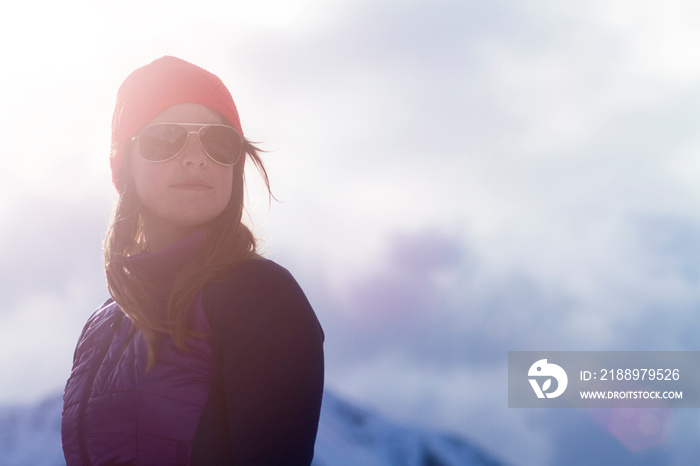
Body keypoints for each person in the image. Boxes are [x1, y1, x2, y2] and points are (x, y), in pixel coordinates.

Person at [61, 56, 325, 465]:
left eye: (219, 142)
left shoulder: (261, 297)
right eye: (165, 138)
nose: (195, 157)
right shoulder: (102, 325)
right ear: (124, 162)